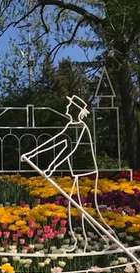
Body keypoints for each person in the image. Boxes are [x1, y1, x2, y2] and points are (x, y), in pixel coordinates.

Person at [20, 95, 115, 252]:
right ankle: (83, 242)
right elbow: (55, 141)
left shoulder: (80, 127)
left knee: (88, 209)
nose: (66, 108)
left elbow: (70, 150)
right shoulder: (72, 126)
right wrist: (32, 154)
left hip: (86, 172)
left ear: (76, 110)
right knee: (75, 206)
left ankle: (106, 239)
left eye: (69, 106)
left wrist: (52, 167)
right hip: (77, 173)